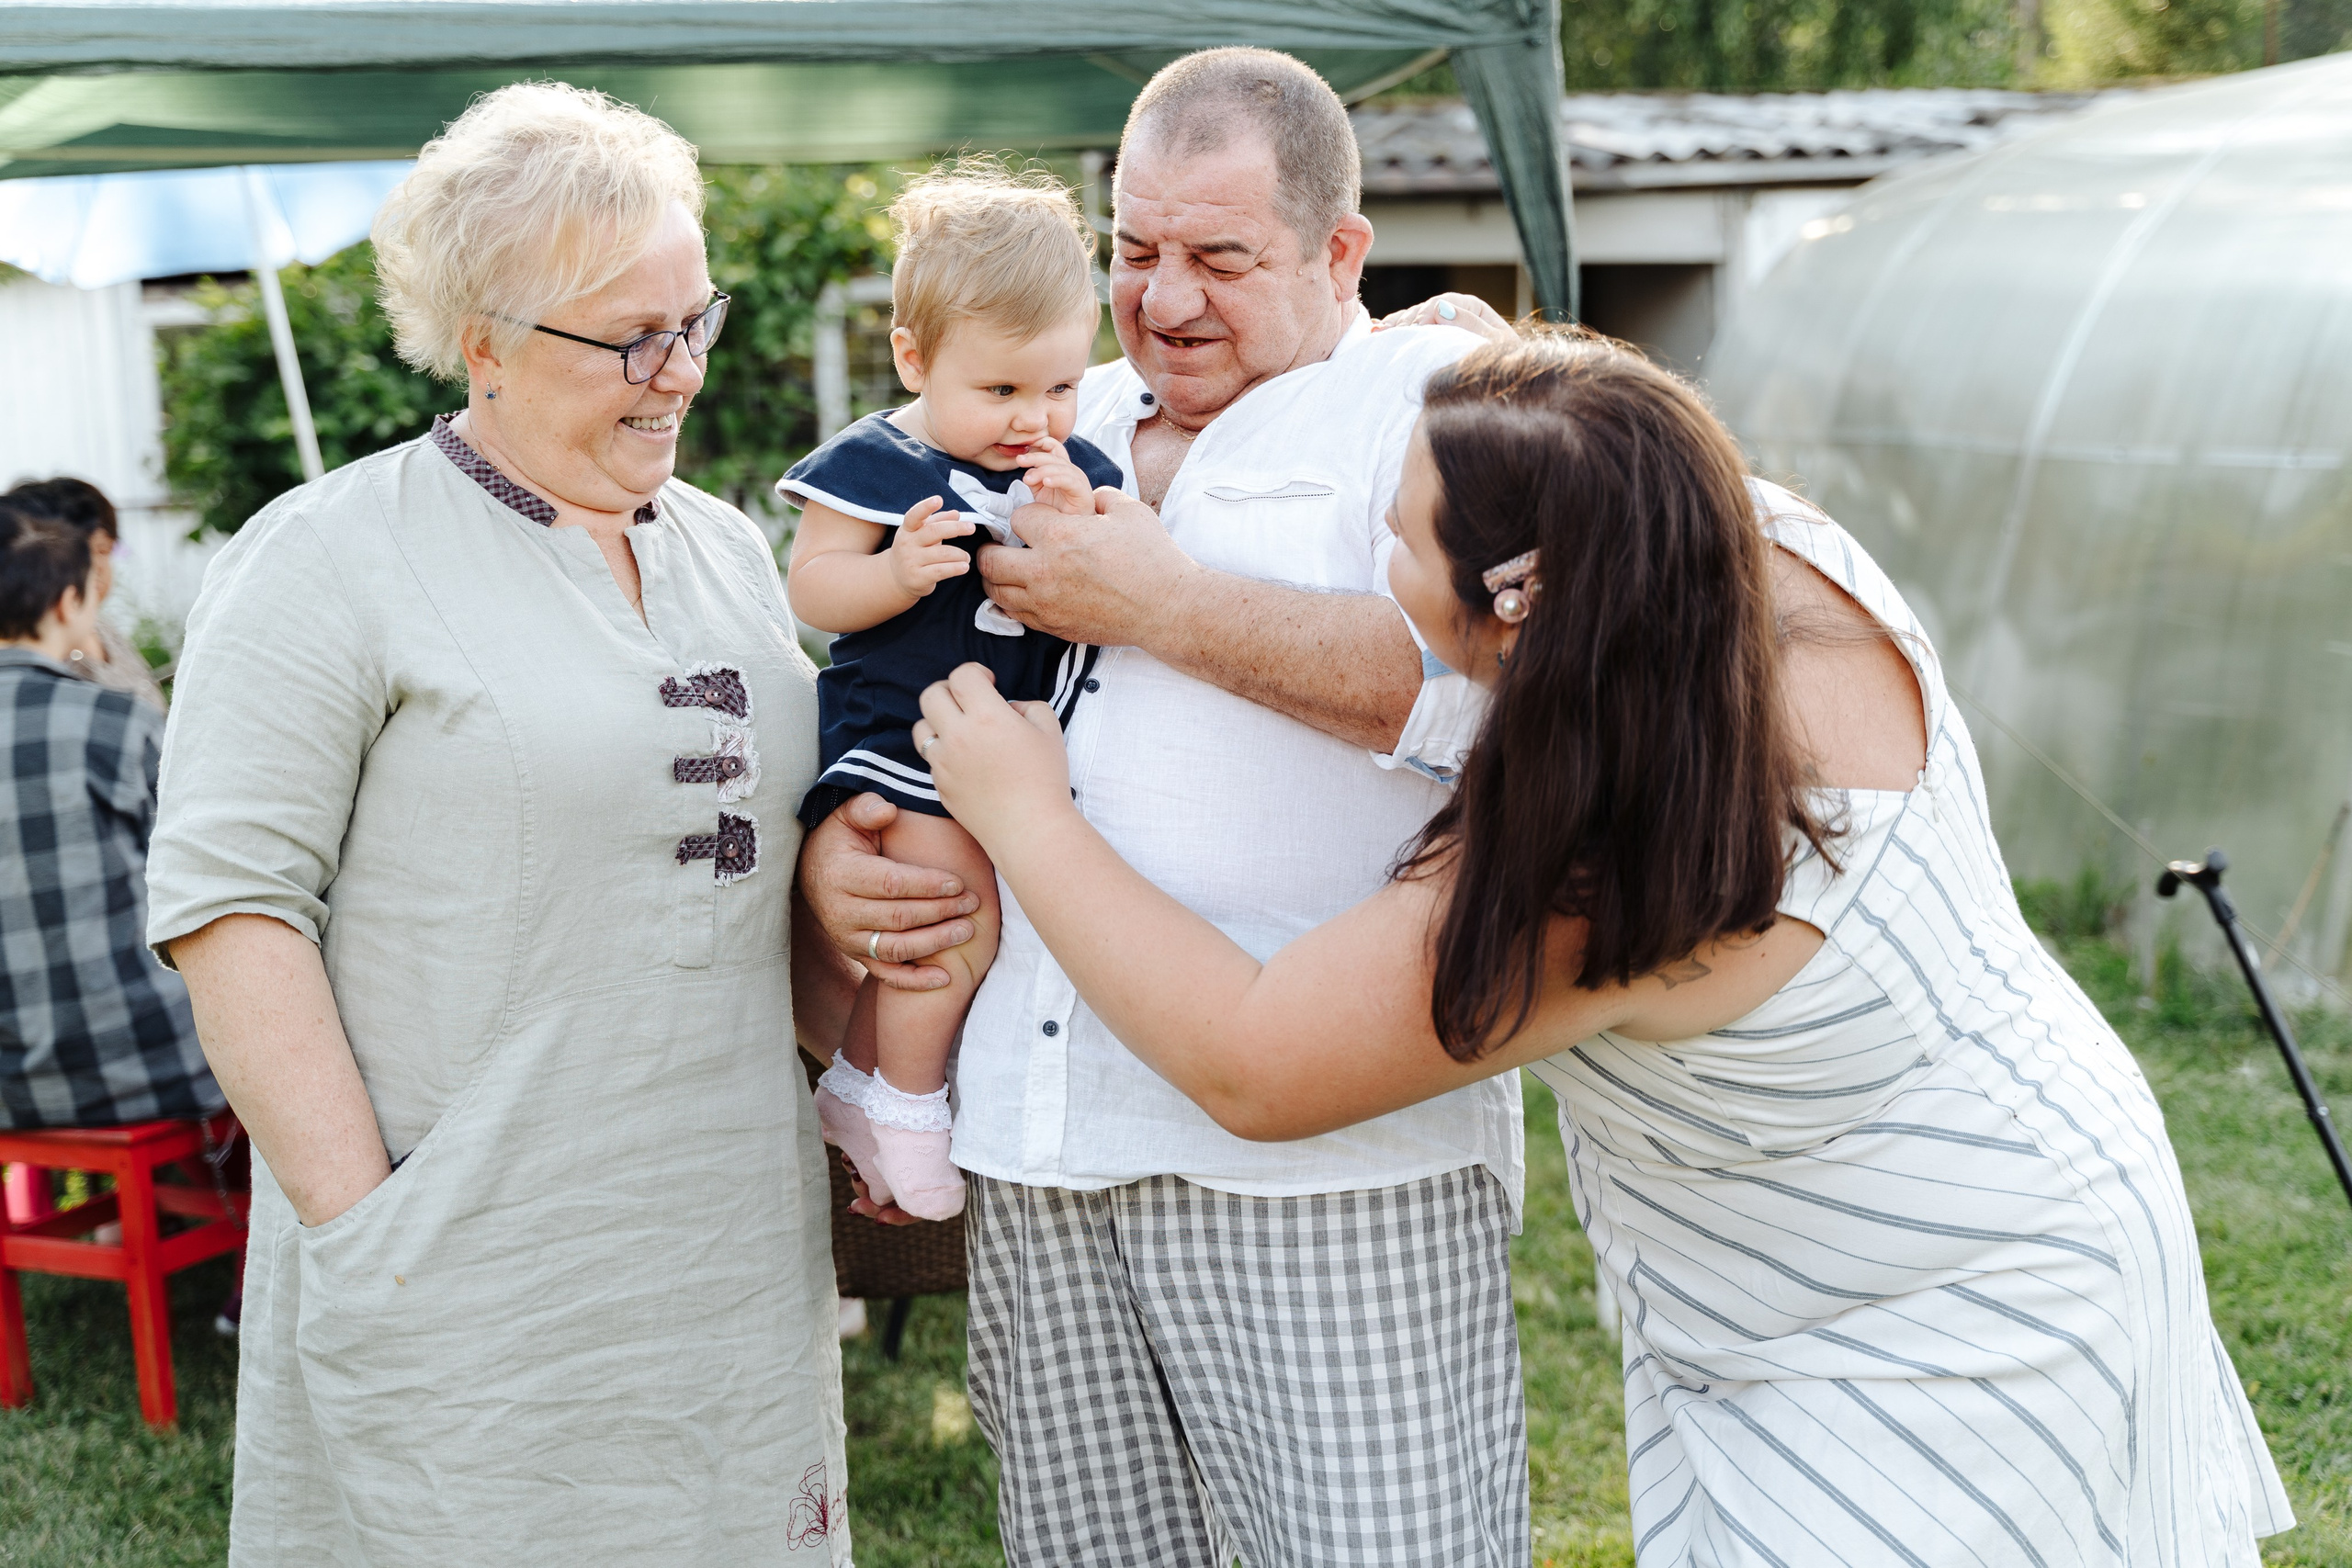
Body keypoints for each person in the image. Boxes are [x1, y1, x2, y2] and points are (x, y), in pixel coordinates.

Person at [911, 329, 2295, 1566]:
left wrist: (1025, 813)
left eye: (1396, 543)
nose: (1374, 569)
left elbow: (1258, 1057)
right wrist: (1477, 358)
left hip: (1933, 1295)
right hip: (2023, 1147)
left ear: (1518, 595)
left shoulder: (1632, 846)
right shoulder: (1732, 539)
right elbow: (1579, 432)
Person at [797, 47, 1532, 1567]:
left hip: (1323, 1168)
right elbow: (865, 630)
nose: (1166, 296)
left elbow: (1519, 699)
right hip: (1036, 1138)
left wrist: (1177, 606)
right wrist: (841, 848)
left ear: (1342, 253)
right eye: (1134, 250)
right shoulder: (1045, 401)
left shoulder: (1450, 407)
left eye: (1221, 257)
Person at [146, 84, 849, 1566]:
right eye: (627, 339)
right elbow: (231, 909)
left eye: (694, 320)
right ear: (483, 339)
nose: (679, 374)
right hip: (466, 1275)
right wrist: (367, 1230)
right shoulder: (328, 557)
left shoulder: (729, 549)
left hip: (722, 1247)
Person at [785, 162, 1123, 1222]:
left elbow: (1126, 586)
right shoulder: (880, 464)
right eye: (1002, 390)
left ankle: (857, 1083)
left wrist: (1080, 517)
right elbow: (811, 587)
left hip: (1000, 743)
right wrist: (892, 574)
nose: (1035, 417)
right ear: (913, 358)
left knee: (977, 922)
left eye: (1061, 386)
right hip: (901, 734)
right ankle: (910, 1099)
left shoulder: (1072, 463)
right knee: (947, 914)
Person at [0, 500, 216, 1130]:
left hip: (13, 1093)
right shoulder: (115, 723)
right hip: (151, 1066)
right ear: (69, 602)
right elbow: (206, 877)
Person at [6, 477, 167, 710]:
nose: (96, 569)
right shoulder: (32, 651)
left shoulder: (104, 631)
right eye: (82, 555)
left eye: (103, 551)